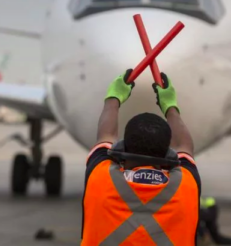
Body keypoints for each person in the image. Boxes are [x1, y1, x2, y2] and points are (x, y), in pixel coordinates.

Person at [81, 70, 201, 245]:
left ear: (122, 148)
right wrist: (170, 106)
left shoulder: (99, 178)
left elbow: (105, 135)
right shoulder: (187, 185)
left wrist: (113, 98)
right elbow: (185, 146)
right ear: (168, 154)